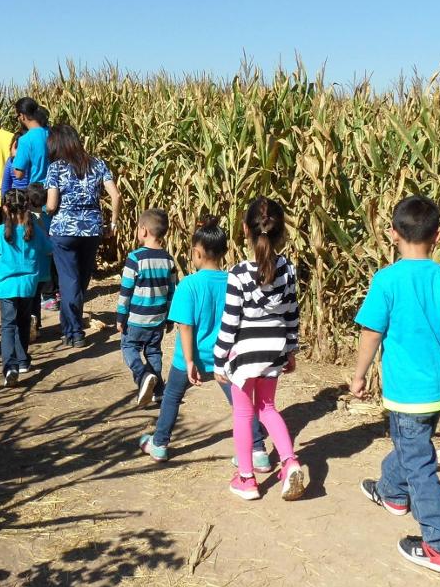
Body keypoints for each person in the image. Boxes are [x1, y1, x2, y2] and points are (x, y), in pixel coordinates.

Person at [351, 196, 440, 574]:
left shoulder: (387, 280)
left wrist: (359, 374)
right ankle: (392, 492)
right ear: (438, 235)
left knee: (419, 464)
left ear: (392, 234)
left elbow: (371, 332)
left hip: (407, 392)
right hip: (439, 388)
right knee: (412, 446)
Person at [139, 216, 268, 466]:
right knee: (240, 403)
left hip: (191, 358)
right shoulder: (234, 281)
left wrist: (189, 361)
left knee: (172, 396)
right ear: (223, 252)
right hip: (226, 358)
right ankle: (258, 451)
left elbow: (185, 326)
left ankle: (160, 444)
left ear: (196, 253)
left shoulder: (188, 285)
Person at [213, 197, 305, 501]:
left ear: (245, 230)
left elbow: (230, 322)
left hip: (245, 354)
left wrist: (218, 359)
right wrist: (290, 349)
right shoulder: (287, 270)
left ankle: (247, 479)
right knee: (267, 407)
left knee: (243, 413)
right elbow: (292, 313)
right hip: (274, 349)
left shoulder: (238, 274)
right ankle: (290, 462)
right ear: (282, 232)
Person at [45, 124, 121, 347]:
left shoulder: (56, 168)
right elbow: (116, 195)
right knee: (81, 280)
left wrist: (43, 210)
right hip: (92, 230)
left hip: (64, 230)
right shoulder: (97, 163)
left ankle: (74, 332)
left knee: (69, 281)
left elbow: (52, 205)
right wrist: (113, 223)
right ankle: (69, 328)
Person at [0, 189, 53, 387]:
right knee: (23, 322)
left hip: (6, 287)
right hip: (28, 286)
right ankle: (23, 361)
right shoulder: (34, 231)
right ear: (27, 207)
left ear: (5, 208)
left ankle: (10, 367)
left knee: (8, 326)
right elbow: (49, 249)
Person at [117, 209, 176, 406]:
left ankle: (142, 376)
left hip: (136, 319)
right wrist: (169, 318)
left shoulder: (135, 258)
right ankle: (158, 391)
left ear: (143, 230)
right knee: (153, 352)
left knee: (129, 347)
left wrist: (120, 317)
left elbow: (126, 291)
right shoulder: (168, 260)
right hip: (158, 319)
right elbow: (171, 292)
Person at [26, 182, 52, 341]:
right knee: (36, 297)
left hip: (31, 265)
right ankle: (37, 325)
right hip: (44, 267)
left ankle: (31, 326)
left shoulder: (27, 219)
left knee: (29, 297)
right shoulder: (48, 217)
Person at [12, 97, 50, 186]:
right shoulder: (52, 132)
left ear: (22, 116)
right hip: (55, 187)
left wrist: (14, 156)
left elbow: (19, 175)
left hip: (38, 188)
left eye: (17, 117)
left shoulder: (25, 140)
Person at [0, 129, 24, 196]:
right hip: (32, 198)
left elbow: (5, 186)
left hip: (17, 198)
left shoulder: (11, 161)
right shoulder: (35, 159)